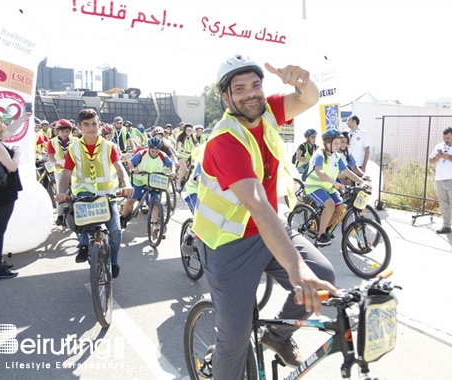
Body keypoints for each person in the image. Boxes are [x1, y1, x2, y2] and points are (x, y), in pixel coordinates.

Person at [191, 55, 337, 379]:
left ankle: (276, 336)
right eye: (239, 88)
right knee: (235, 340)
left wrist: (302, 81)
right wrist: (295, 270)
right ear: (226, 97)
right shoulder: (224, 141)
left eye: (255, 85)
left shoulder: (267, 111)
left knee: (323, 275)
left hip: (266, 231)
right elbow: (258, 204)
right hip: (227, 245)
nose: (250, 93)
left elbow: (308, 98)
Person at [56, 109, 133, 278]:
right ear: (79, 127)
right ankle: (83, 244)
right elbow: (66, 173)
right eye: (86, 125)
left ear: (99, 124)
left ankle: (114, 261)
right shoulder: (73, 147)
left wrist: (126, 184)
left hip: (108, 194)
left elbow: (120, 168)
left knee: (115, 230)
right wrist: (61, 192)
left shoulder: (109, 146)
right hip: (83, 192)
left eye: (94, 124)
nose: (91, 128)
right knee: (78, 219)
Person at [0, 106, 30, 280]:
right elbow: (11, 166)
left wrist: (23, 118)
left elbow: (7, 133)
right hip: (1, 191)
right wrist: (16, 153)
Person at [305, 129, 364, 247]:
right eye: (336, 143)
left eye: (340, 143)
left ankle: (324, 227)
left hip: (327, 187)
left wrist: (361, 181)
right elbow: (319, 171)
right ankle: (320, 236)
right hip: (314, 187)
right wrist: (334, 182)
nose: (338, 146)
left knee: (342, 208)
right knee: (330, 205)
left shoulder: (336, 157)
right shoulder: (319, 154)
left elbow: (346, 171)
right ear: (327, 143)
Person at [119, 137, 173, 229]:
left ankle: (156, 224)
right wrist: (132, 169)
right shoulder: (142, 153)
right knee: (132, 199)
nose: (155, 153)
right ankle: (123, 217)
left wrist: (173, 172)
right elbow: (130, 162)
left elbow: (171, 164)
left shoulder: (163, 155)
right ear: (149, 148)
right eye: (152, 151)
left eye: (157, 151)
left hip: (153, 181)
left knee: (155, 202)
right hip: (139, 179)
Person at [46, 119, 75, 226]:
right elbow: (50, 156)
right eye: (62, 131)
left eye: (67, 131)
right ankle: (59, 215)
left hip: (75, 169)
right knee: (60, 191)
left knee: (78, 189)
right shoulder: (52, 141)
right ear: (57, 131)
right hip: (60, 170)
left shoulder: (75, 140)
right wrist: (55, 162)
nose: (65, 133)